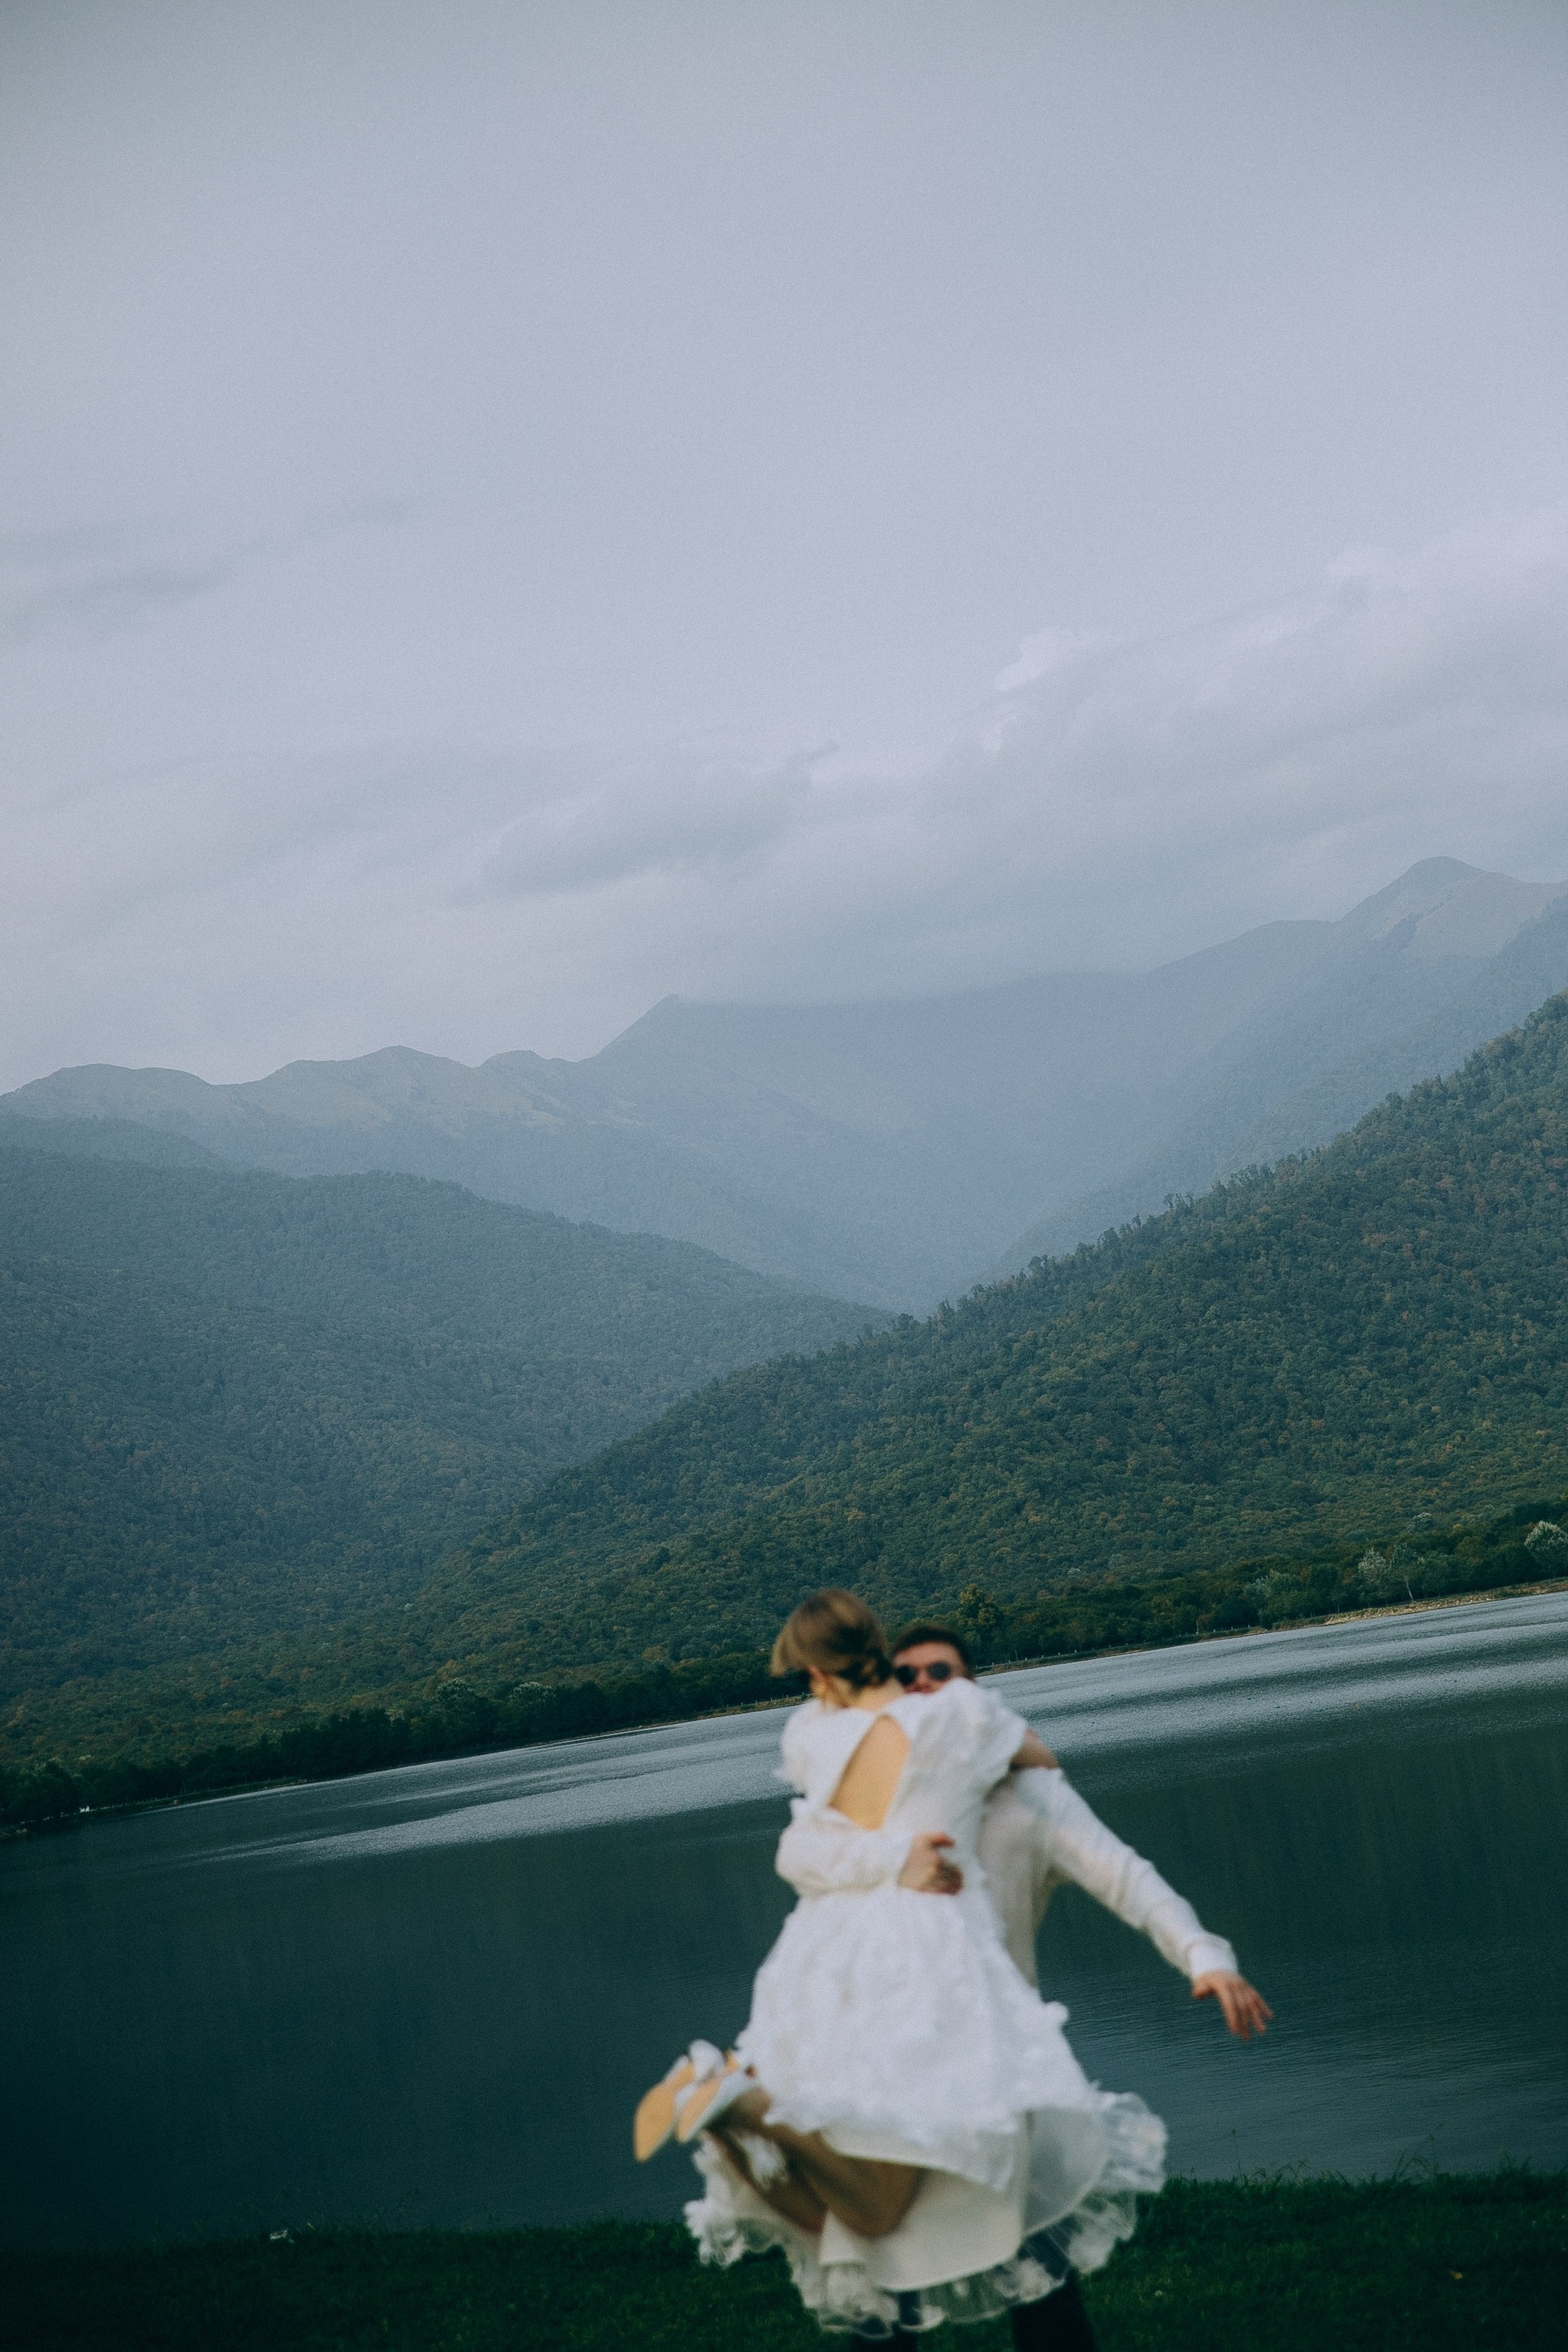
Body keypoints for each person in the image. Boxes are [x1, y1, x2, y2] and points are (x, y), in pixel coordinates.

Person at [633, 1590, 1169, 2338]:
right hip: (932, 1983)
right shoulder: (960, 1722)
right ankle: (743, 2112)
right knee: (897, 2210)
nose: (924, 1686)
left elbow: (798, 1848)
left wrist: (892, 1848)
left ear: (819, 1675)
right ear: (875, 1650)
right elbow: (1038, 1757)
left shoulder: (813, 1735)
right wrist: (935, 1818)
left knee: (856, 2218)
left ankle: (729, 2110)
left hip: (824, 1971)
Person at [880, 1621, 1272, 2350]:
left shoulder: (1034, 1800)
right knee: (888, 2291)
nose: (925, 1686)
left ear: (976, 1692)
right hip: (891, 2072)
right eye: (906, 1677)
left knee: (1040, 2274)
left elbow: (1129, 1879)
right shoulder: (871, 1811)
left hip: (1006, 2072)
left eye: (942, 1672)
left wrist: (1204, 1955)